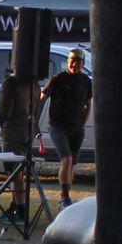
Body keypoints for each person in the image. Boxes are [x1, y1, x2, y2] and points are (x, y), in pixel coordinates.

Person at [0, 57, 41, 223]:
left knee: (15, 175)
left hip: (13, 133)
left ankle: (20, 211)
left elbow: (3, 114)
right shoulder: (34, 84)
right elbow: (36, 110)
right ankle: (14, 208)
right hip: (27, 131)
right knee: (17, 173)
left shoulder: (10, 84)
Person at [41, 49, 93, 207]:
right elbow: (42, 98)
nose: (74, 64)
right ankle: (64, 196)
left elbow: (88, 103)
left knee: (73, 164)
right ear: (68, 61)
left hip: (77, 127)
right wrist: (34, 121)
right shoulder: (58, 79)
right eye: (72, 61)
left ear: (83, 64)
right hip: (58, 126)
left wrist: (83, 122)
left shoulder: (86, 81)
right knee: (66, 159)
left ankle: (66, 196)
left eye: (78, 62)